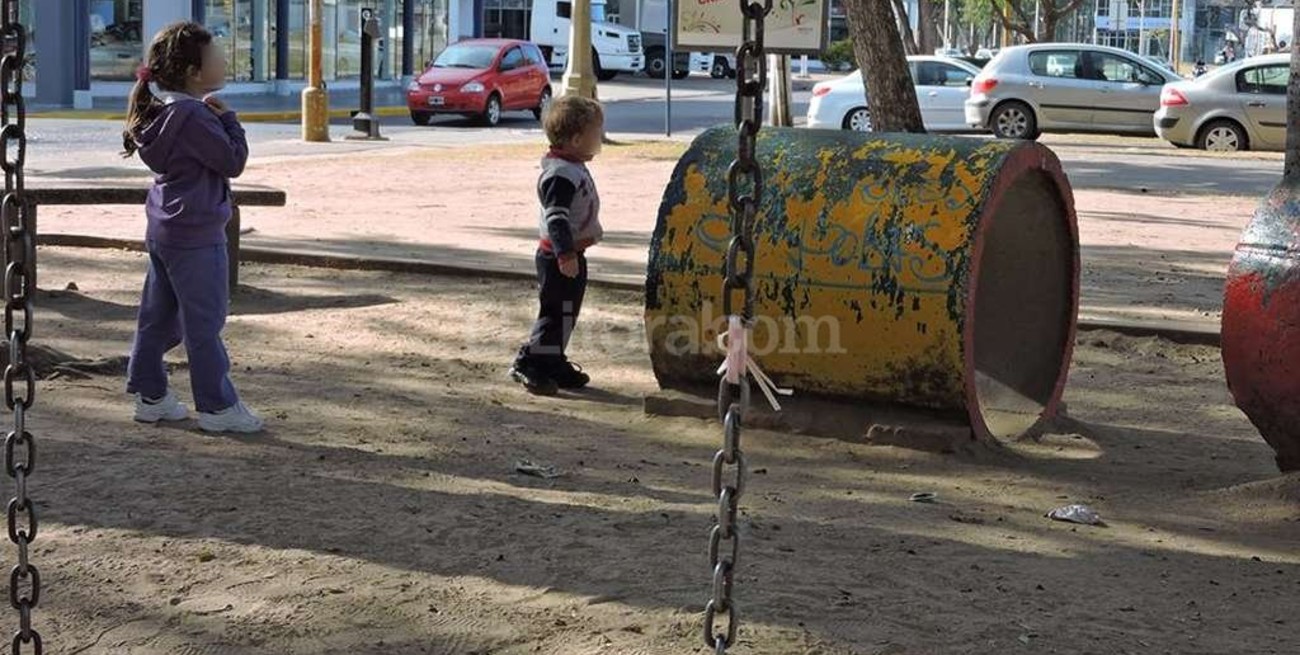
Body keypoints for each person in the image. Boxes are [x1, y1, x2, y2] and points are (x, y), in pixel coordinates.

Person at [121, 22, 264, 433]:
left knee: (158, 316)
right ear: (193, 72)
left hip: (166, 228)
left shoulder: (165, 112)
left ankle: (151, 396)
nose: (224, 61)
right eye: (217, 56)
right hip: (198, 234)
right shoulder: (194, 115)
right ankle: (218, 407)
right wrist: (230, 120)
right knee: (205, 322)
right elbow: (232, 161)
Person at [509, 95, 606, 396]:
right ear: (576, 140)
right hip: (558, 257)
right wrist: (564, 254)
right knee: (555, 312)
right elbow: (557, 218)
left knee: (567, 312)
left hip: (573, 254)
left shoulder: (571, 166)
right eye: (595, 134)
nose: (600, 139)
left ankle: (551, 359)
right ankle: (530, 363)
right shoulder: (560, 174)